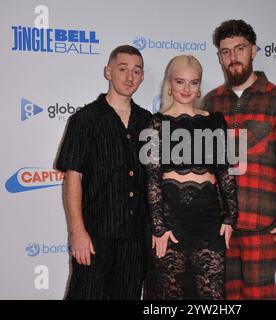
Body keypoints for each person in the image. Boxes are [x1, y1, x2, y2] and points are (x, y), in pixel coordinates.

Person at [203, 19, 276, 300]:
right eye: (226, 52)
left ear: (254, 51)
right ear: (219, 57)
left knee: (260, 295)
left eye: (240, 48)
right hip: (218, 224)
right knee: (222, 297)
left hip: (261, 222)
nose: (233, 57)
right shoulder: (210, 103)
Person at [56, 45, 152, 300]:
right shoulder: (84, 120)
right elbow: (73, 178)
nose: (129, 77)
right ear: (108, 71)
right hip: (95, 237)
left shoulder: (149, 122)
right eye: (122, 69)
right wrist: (77, 231)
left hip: (136, 241)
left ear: (142, 77)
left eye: (136, 71)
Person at [142, 55, 238, 299]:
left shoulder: (215, 122)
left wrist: (230, 217)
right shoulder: (156, 124)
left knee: (212, 297)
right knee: (170, 296)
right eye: (180, 82)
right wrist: (159, 227)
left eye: (193, 83)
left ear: (199, 86)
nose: (187, 89)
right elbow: (152, 180)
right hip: (171, 222)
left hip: (208, 221)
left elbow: (225, 173)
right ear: (170, 85)